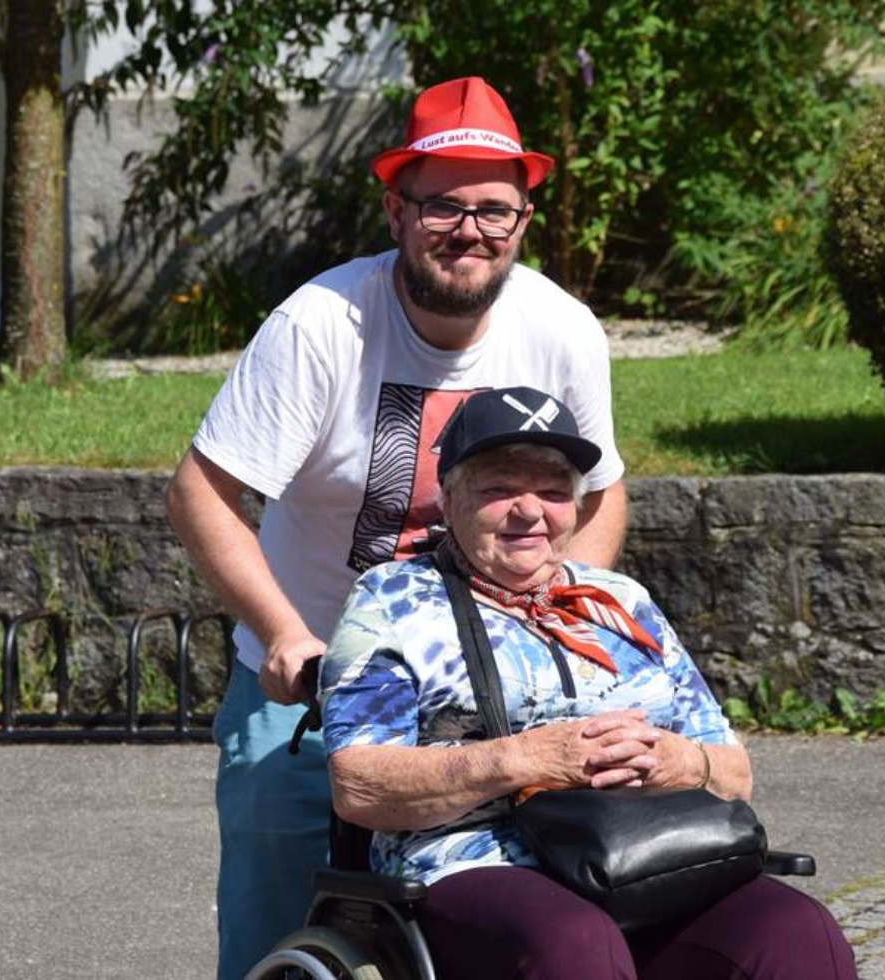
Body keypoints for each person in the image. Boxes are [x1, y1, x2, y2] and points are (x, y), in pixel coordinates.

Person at [165, 77, 629, 979]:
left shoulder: (561, 329)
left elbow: (602, 493)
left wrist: (561, 622)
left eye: (494, 210)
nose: (470, 231)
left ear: (524, 219)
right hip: (311, 686)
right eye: (443, 206)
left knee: (516, 927)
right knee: (272, 931)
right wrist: (285, 635)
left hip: (488, 691)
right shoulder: (320, 326)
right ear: (395, 209)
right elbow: (199, 492)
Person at [319, 386, 858, 980]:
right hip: (476, 858)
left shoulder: (621, 601)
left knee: (798, 931)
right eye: (499, 489)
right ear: (448, 499)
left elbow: (734, 774)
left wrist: (675, 759)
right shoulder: (391, 601)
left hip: (650, 853)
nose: (530, 511)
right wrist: (527, 759)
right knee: (575, 944)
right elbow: (359, 785)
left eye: (553, 492)